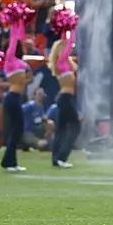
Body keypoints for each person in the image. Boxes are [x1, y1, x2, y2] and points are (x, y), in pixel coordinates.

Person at [1, 12, 30, 173]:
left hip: (16, 98)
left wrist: (21, 22)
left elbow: (19, 39)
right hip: (12, 97)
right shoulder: (9, 60)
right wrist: (13, 22)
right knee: (17, 129)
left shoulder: (20, 62)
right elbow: (14, 40)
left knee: (17, 129)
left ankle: (11, 161)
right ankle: (8, 161)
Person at [49, 28, 80, 168]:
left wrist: (65, 29)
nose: (69, 48)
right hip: (66, 98)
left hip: (64, 97)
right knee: (76, 126)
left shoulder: (65, 63)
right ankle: (62, 157)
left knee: (60, 129)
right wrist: (71, 28)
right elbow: (70, 42)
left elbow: (67, 43)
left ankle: (56, 158)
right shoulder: (61, 62)